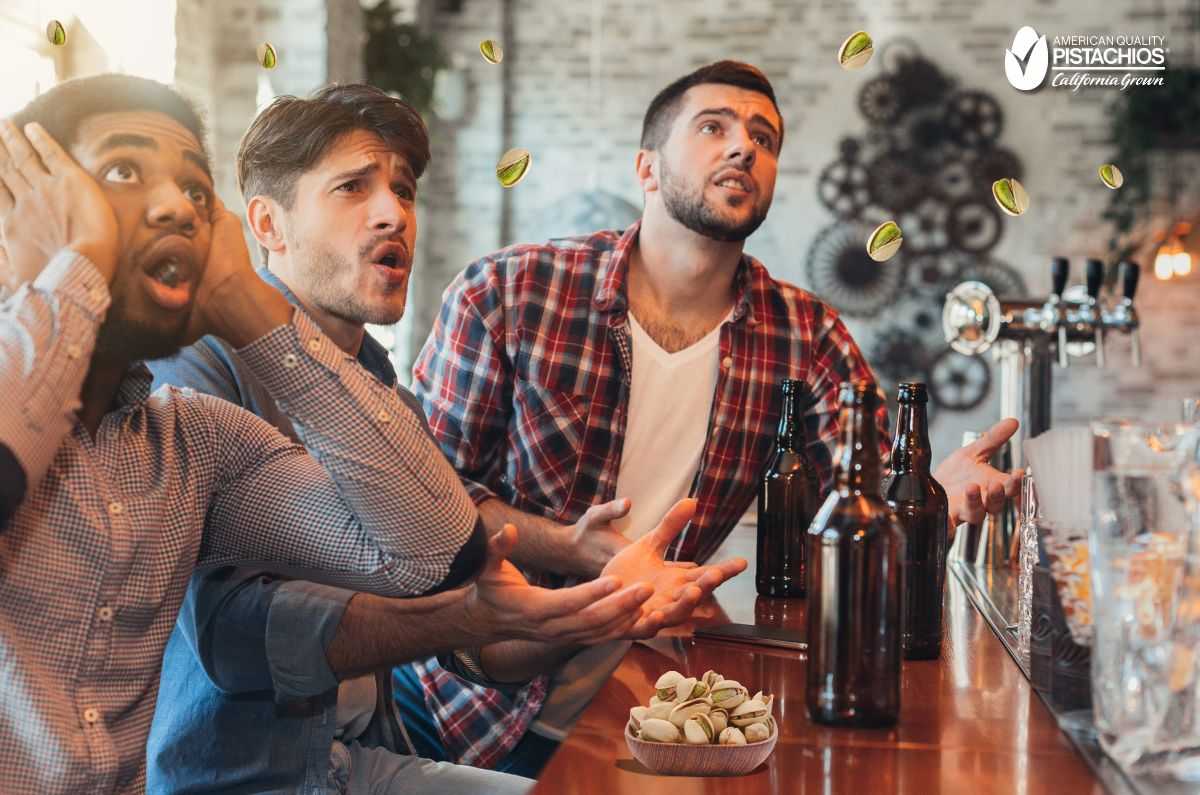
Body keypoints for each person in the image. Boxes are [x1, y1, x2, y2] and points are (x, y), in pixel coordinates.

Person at [0, 74, 659, 795]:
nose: (177, 210)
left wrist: (249, 304)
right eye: (124, 172)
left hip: (345, 760)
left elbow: (434, 551)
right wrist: (75, 265)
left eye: (195, 191)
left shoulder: (195, 439)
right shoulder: (183, 377)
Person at [397, 59, 1023, 774]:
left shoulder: (805, 335)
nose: (743, 147)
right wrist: (577, 547)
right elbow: (424, 515)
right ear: (648, 168)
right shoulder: (510, 292)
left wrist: (930, 497)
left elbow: (858, 516)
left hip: (657, 709)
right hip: (470, 705)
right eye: (713, 126)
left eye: (764, 137)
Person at [145, 83, 745, 794]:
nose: (392, 213)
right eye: (351, 188)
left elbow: (477, 643)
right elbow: (231, 636)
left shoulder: (384, 394)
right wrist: (460, 615)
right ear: (267, 225)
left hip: (360, 758)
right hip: (243, 776)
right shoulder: (197, 369)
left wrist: (590, 611)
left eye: (403, 190)